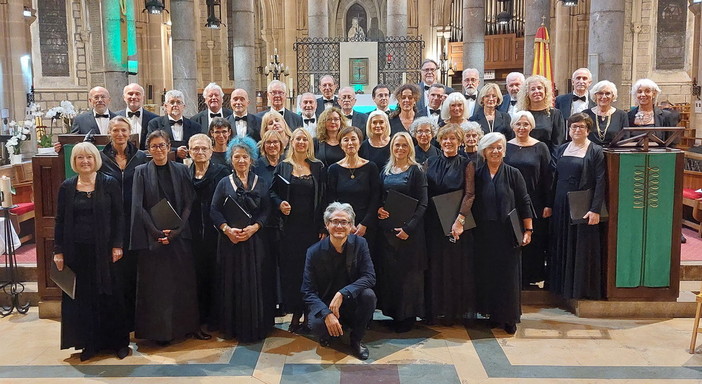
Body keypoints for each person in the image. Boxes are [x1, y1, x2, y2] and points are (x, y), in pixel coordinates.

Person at [54, 142, 130, 361]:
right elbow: (60, 221)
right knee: (84, 300)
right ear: (74, 162)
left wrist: (118, 244)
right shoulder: (67, 187)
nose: (85, 161)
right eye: (80, 158)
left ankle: (119, 343)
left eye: (88, 157)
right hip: (77, 252)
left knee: (112, 296)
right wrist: (58, 251)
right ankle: (90, 344)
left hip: (107, 251)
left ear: (95, 159)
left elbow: (119, 217)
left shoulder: (109, 183)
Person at [130, 130, 208, 344]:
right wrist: (156, 232)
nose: (158, 150)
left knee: (183, 284)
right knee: (157, 288)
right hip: (152, 239)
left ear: (169, 146)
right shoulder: (141, 171)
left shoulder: (181, 170)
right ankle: (160, 333)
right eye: (154, 146)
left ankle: (186, 328)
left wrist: (176, 231)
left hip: (179, 237)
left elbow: (188, 203)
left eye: (162, 145)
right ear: (148, 149)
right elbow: (139, 206)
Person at [210, 136, 275, 342]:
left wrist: (255, 228)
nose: (241, 160)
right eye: (236, 157)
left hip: (254, 241)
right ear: (230, 159)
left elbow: (267, 210)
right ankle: (233, 327)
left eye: (245, 156)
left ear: (251, 159)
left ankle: (255, 327)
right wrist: (227, 229)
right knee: (233, 282)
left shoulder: (261, 182)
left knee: (255, 281)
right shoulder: (223, 183)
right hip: (231, 242)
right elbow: (214, 210)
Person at [473, 132, 534, 335]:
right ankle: (493, 314)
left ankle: (508, 318)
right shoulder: (477, 173)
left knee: (508, 276)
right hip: (484, 233)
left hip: (508, 233)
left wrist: (528, 229)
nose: (495, 151)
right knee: (489, 275)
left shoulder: (513, 173)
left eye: (499, 147)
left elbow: (524, 201)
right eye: (491, 147)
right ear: (484, 151)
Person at [301, 202, 377, 361]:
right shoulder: (313, 252)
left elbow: (370, 277)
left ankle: (356, 340)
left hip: (351, 300)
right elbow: (307, 291)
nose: (339, 226)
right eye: (335, 221)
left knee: (369, 296)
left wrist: (343, 293)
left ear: (351, 226)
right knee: (317, 326)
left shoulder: (360, 244)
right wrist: (326, 314)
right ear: (327, 225)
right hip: (326, 304)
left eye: (344, 222)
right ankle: (331, 330)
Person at [271, 128, 326, 334]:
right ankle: (295, 313)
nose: (301, 142)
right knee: (293, 272)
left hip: (312, 228)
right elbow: (272, 193)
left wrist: (323, 226)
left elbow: (325, 197)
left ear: (309, 143)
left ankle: (309, 313)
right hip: (290, 230)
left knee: (310, 272)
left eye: (305, 139)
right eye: (297, 139)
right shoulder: (283, 167)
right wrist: (280, 204)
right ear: (291, 142)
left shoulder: (318, 167)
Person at [547, 113, 606, 300]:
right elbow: (553, 178)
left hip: (582, 203)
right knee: (560, 244)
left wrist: (595, 209)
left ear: (588, 130)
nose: (577, 130)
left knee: (578, 245)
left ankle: (577, 289)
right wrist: (549, 204)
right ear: (569, 129)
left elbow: (600, 180)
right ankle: (560, 288)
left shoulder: (595, 150)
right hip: (560, 203)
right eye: (574, 127)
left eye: (581, 127)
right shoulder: (563, 148)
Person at [99, 116, 148, 332]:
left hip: (136, 220)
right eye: (115, 130)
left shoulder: (140, 157)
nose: (120, 135)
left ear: (130, 133)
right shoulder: (100, 158)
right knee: (115, 272)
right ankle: (119, 323)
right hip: (110, 222)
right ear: (109, 132)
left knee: (135, 272)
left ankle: (137, 320)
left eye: (124, 131)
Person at [424, 123, 476, 325]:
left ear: (460, 141)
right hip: (433, 222)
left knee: (454, 266)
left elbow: (470, 194)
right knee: (435, 265)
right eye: (445, 138)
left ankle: (453, 311)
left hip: (456, 222)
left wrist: (460, 220)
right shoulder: (430, 162)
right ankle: (435, 310)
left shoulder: (466, 164)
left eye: (453, 138)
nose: (448, 142)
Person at [376, 132, 428, 333]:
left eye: (404, 146)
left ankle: (407, 317)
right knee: (392, 275)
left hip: (410, 234)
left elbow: (423, 203)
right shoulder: (386, 171)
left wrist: (409, 228)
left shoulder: (416, 171)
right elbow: (381, 197)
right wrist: (379, 209)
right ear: (392, 147)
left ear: (410, 148)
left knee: (409, 277)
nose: (400, 149)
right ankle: (394, 314)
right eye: (397, 145)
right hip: (388, 233)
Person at [504, 111, 552, 288]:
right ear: (513, 126)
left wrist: (548, 203)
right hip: (510, 200)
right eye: (518, 124)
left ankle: (531, 278)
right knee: (511, 238)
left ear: (531, 127)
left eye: (525, 124)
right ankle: (512, 277)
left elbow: (548, 177)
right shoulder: (505, 146)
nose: (522, 127)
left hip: (535, 201)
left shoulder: (541, 147)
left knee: (533, 239)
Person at [188, 133, 230, 331]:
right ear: (189, 152)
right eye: (196, 148)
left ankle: (217, 318)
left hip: (217, 234)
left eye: (204, 148)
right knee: (196, 276)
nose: (200, 152)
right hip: (192, 234)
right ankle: (199, 318)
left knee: (217, 275)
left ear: (211, 151)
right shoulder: (184, 174)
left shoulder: (221, 172)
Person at [326, 126, 381, 265]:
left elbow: (376, 197)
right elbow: (331, 200)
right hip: (342, 226)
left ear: (360, 142)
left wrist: (364, 224)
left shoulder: (371, 167)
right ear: (341, 144)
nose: (350, 143)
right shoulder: (333, 169)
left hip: (367, 226)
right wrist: (347, 225)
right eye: (346, 140)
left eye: (353, 139)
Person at [515, 75, 565, 159]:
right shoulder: (521, 114)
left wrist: (552, 165)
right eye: (532, 89)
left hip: (547, 161)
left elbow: (558, 143)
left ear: (545, 91)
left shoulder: (555, 114)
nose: (536, 91)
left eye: (539, 88)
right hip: (523, 159)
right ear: (527, 93)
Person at [147, 90, 200, 161]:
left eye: (178, 102)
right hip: (164, 164)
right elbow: (149, 145)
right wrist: (175, 151)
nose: (175, 105)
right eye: (172, 102)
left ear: (184, 106)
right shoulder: (155, 123)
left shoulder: (195, 126)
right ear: (165, 106)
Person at [583, 80, 629, 146]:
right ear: (595, 95)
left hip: (613, 154)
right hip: (591, 153)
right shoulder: (585, 114)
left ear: (613, 96)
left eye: (607, 93)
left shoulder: (622, 115)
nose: (604, 97)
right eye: (600, 93)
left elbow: (625, 138)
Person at [115, 83, 159, 149]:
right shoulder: (115, 118)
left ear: (143, 97)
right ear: (124, 97)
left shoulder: (154, 119)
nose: (134, 97)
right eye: (130, 94)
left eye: (137, 94)